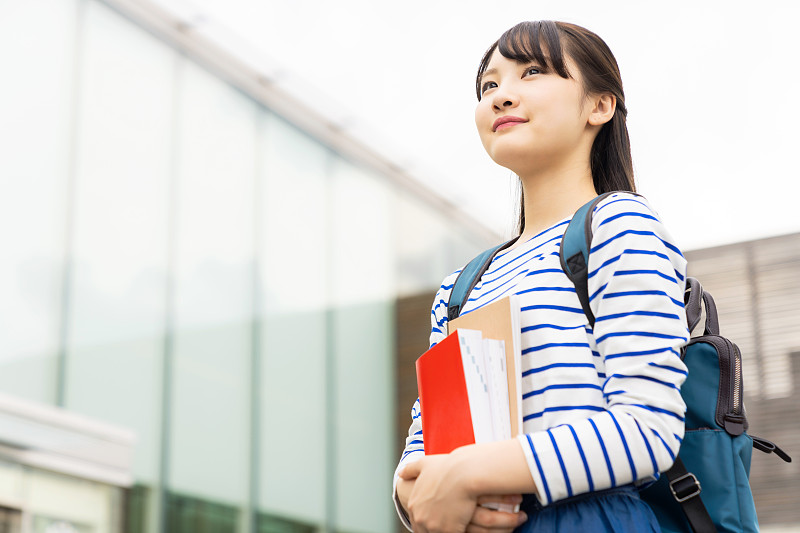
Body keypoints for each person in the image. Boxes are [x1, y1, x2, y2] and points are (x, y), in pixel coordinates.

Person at [393, 20, 690, 533]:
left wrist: (466, 474)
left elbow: (648, 430)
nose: (502, 96)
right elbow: (423, 449)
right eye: (489, 86)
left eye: (532, 72)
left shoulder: (617, 224)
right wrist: (413, 492)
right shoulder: (460, 287)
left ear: (599, 106)